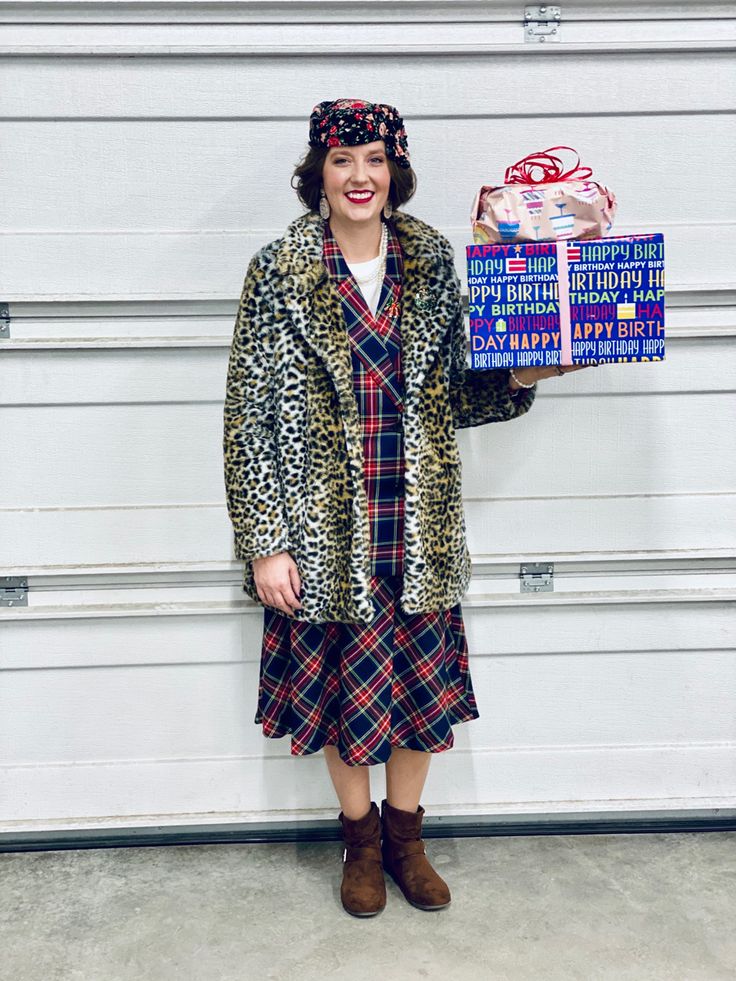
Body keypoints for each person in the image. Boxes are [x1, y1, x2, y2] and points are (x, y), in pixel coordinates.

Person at [223, 98, 597, 918]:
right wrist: (264, 543)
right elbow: (247, 413)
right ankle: (359, 843)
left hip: (417, 520)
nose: (361, 176)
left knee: (417, 700)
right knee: (342, 699)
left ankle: (406, 839)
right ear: (316, 174)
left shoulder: (430, 260)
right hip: (322, 533)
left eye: (376, 160)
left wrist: (533, 370)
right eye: (343, 160)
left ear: (396, 173)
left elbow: (461, 391)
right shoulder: (277, 272)